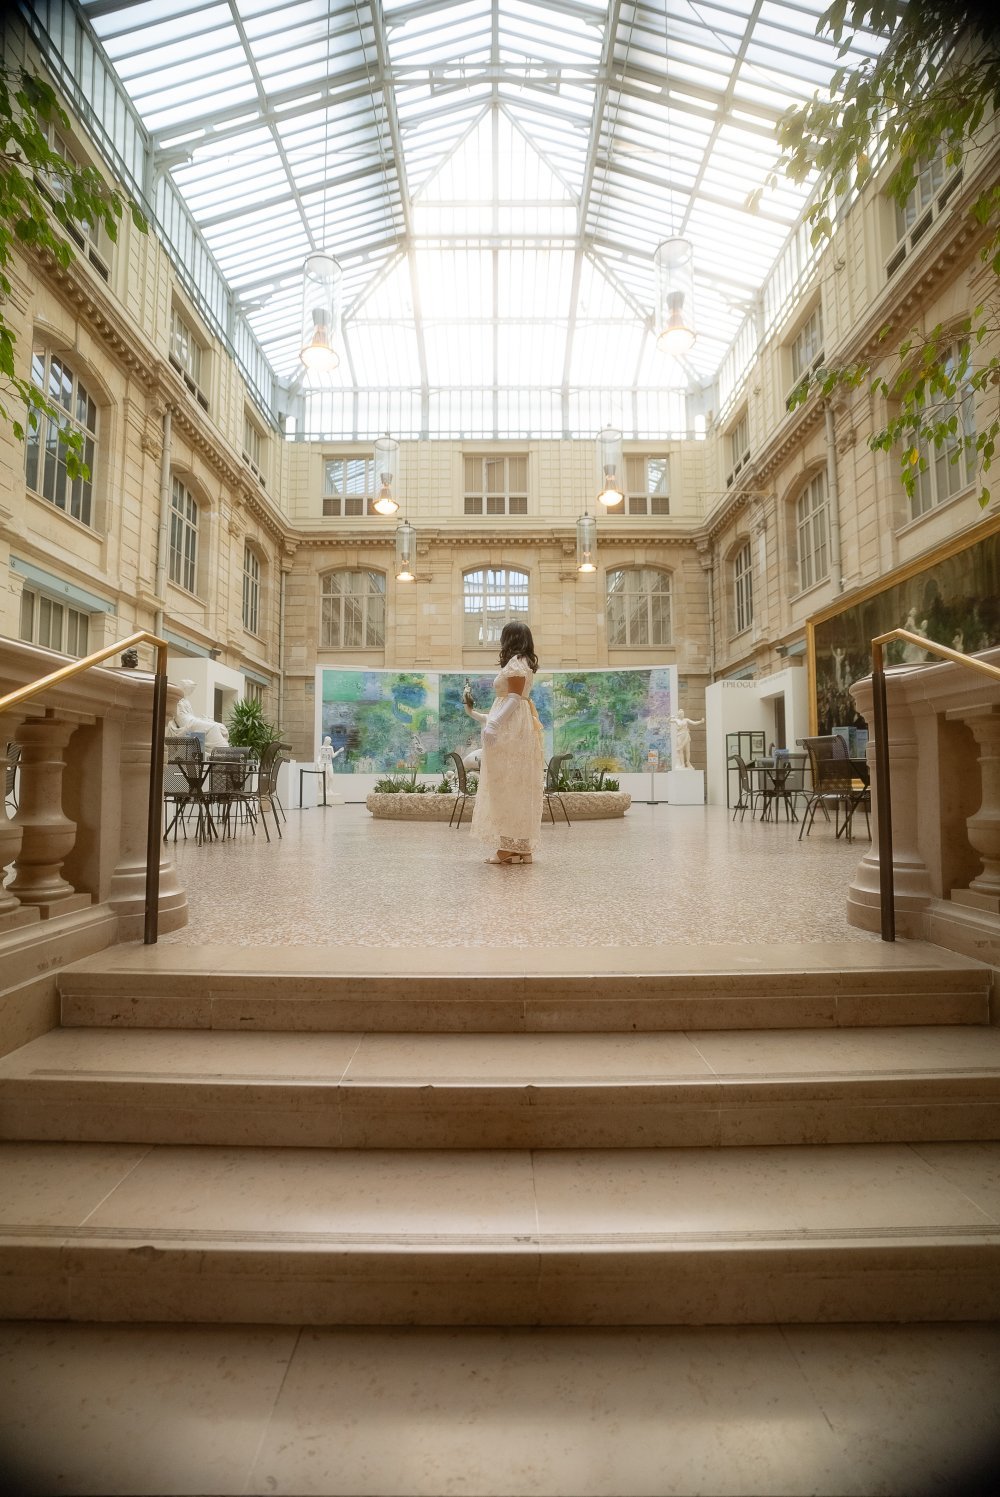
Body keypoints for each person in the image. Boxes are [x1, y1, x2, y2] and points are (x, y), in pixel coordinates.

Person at [463, 621, 544, 865]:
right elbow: (511, 703)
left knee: (506, 787)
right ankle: (521, 848)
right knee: (514, 786)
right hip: (515, 727)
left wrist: (494, 724)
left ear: (510, 639)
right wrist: (476, 715)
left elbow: (512, 698)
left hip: (510, 731)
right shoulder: (522, 663)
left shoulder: (516, 663)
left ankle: (508, 847)